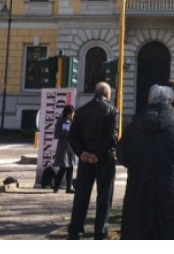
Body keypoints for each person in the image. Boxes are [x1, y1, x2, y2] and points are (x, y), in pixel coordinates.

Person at [118, 84, 174, 239]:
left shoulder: (133, 126)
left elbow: (122, 155)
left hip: (140, 191)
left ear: (149, 100)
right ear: (170, 101)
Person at [67, 82, 119, 240]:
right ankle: (101, 231)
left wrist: (82, 153)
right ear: (107, 95)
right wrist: (97, 154)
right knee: (104, 197)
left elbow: (73, 136)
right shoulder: (112, 111)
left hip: (85, 160)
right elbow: (113, 137)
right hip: (104, 159)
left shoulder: (81, 111)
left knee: (81, 196)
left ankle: (75, 230)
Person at [53, 104, 77, 193]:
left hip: (71, 147)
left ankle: (68, 187)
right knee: (63, 167)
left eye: (73, 114)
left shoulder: (73, 121)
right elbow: (57, 134)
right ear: (67, 114)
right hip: (63, 147)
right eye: (71, 114)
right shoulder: (61, 120)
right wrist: (66, 129)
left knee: (70, 167)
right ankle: (56, 187)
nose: (72, 116)